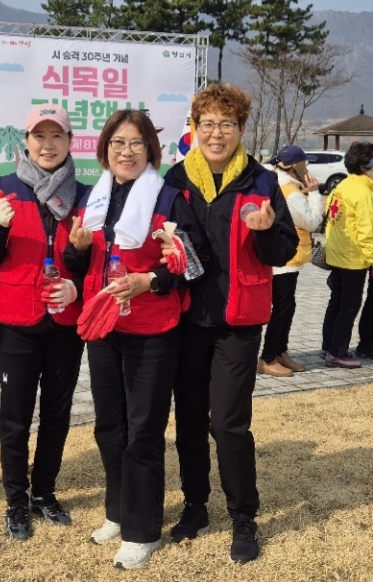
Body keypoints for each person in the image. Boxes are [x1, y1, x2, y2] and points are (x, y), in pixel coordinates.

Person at [160, 82, 298, 564]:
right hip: (185, 319)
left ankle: (244, 518)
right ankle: (195, 506)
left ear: (241, 129)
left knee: (230, 424)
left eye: (227, 124)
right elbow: (163, 242)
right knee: (189, 420)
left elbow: (284, 250)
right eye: (207, 124)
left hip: (238, 321)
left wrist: (266, 232)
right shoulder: (176, 179)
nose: (216, 134)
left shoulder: (260, 182)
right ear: (194, 128)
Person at [62, 109, 191, 569]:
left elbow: (190, 265)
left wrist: (149, 281)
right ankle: (118, 512)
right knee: (109, 427)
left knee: (143, 432)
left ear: (150, 150)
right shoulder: (93, 198)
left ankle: (142, 530)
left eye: (137, 143)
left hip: (151, 330)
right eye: (118, 142)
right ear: (104, 149)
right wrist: (76, 249)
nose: (127, 151)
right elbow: (78, 265)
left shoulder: (170, 199)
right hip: (105, 327)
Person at [0, 104, 87, 541]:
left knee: (57, 413)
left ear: (69, 142)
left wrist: (77, 267)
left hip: (65, 321)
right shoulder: (3, 188)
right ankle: (16, 502)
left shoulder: (84, 195)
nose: (48, 144)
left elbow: (90, 262)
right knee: (16, 417)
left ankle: (44, 492)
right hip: (20, 320)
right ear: (26, 142)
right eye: (39, 136)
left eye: (56, 136)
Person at [257, 145, 324, 376]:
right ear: (295, 165)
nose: (307, 167)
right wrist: (314, 193)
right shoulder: (289, 191)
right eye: (305, 163)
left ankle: (280, 352)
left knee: (287, 307)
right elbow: (312, 222)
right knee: (282, 309)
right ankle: (268, 357)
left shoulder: (277, 182)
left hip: (283, 257)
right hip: (285, 260)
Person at [320, 141, 373, 368]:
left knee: (336, 302)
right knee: (349, 306)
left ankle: (328, 346)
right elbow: (367, 232)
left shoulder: (341, 186)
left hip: (336, 254)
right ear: (365, 165)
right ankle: (337, 351)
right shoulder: (363, 193)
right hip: (353, 258)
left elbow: (329, 217)